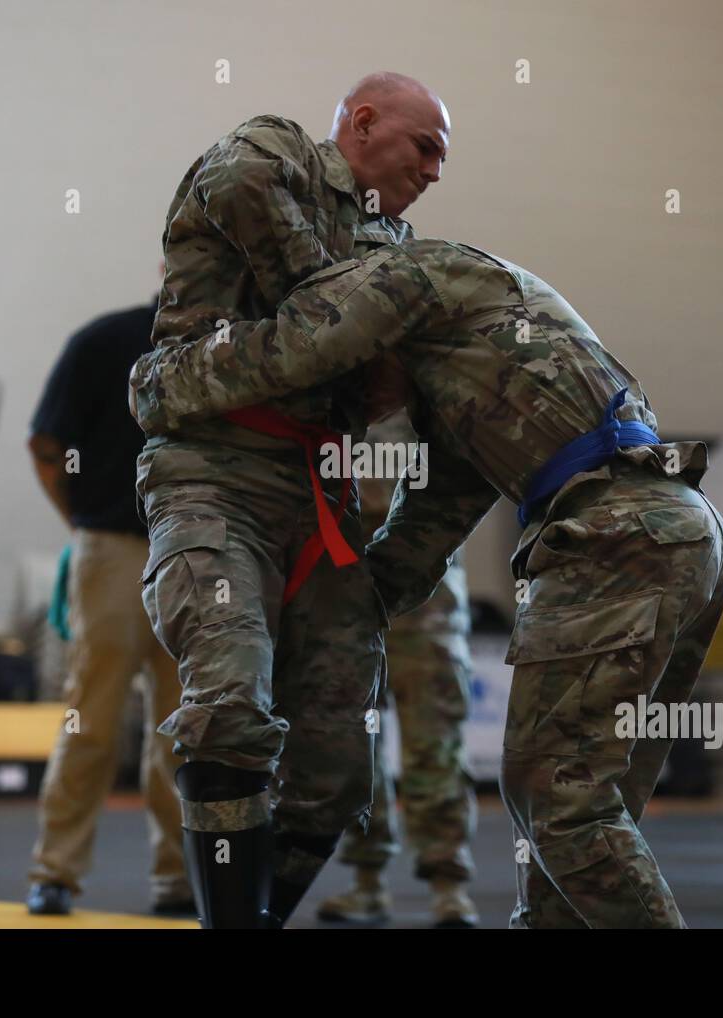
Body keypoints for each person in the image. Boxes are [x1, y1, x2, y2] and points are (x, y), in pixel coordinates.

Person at [139, 237, 723, 929]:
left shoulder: (424, 279)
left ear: (372, 339)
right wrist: (318, 625)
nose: (364, 413)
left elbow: (295, 346)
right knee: (574, 817)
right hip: (681, 532)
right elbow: (418, 544)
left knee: (558, 802)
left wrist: (165, 385)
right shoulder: (465, 391)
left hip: (619, 534)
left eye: (357, 390)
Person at [128, 73, 451, 928]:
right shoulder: (278, 151)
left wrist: (335, 336)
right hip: (214, 475)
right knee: (230, 705)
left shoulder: (397, 245)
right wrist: (333, 309)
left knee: (339, 765)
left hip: (321, 498)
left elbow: (385, 382)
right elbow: (236, 183)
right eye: (427, 148)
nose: (435, 171)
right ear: (366, 122)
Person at [26, 297, 191, 916]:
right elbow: (47, 445)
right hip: (118, 545)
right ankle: (55, 872)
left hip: (190, 552)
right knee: (91, 717)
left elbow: (46, 449)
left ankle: (178, 874)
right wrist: (86, 528)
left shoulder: (234, 342)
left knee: (182, 727)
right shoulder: (105, 340)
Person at [314, 410, 479, 928]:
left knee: (436, 744)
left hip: (426, 606)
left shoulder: (430, 404)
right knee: (354, 748)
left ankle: (448, 885)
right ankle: (366, 882)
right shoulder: (331, 403)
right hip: (347, 598)